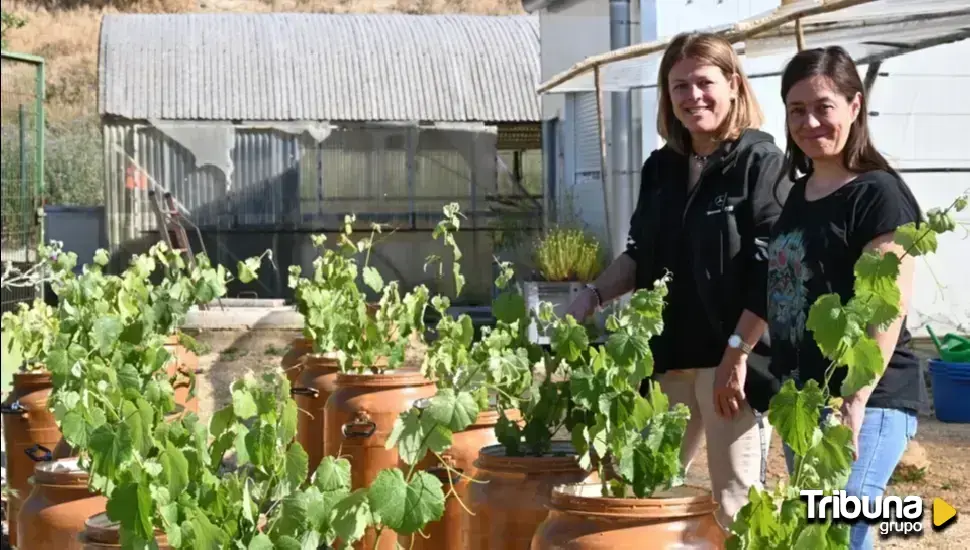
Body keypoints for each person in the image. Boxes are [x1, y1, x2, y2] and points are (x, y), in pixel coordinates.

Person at [564, 31, 792, 529]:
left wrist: (738, 351)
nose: (693, 97)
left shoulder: (760, 162)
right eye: (679, 87)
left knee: (735, 499)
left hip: (730, 361)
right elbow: (641, 255)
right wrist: (593, 294)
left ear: (733, 84)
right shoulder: (661, 168)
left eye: (704, 83)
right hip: (666, 359)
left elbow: (773, 266)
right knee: (647, 484)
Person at [763, 46, 923, 549]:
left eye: (823, 106)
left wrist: (856, 397)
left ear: (855, 107)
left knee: (842, 524)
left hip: (866, 399)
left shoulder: (879, 194)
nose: (809, 121)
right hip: (805, 399)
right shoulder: (798, 193)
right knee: (815, 530)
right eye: (796, 109)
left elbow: (888, 304)